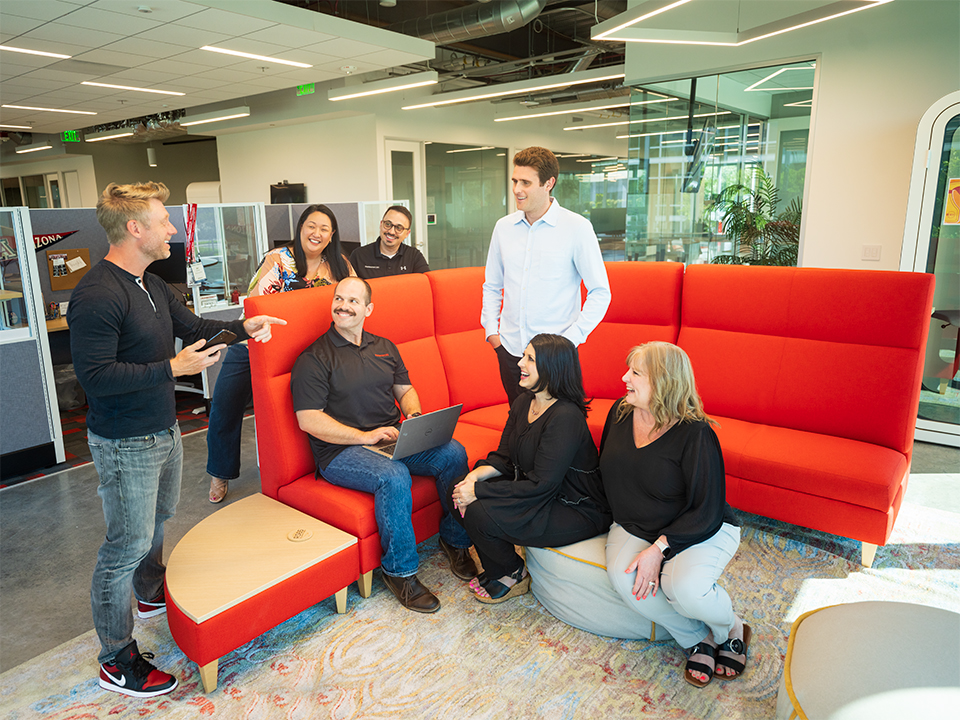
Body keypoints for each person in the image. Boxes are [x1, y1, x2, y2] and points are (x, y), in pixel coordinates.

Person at [67, 182, 285, 698]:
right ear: (135, 229)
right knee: (124, 547)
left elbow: (195, 326)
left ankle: (149, 591)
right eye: (164, 221)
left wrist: (245, 327)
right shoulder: (97, 294)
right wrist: (172, 367)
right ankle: (116, 657)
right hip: (124, 441)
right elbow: (94, 378)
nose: (172, 229)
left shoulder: (153, 284)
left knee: (155, 526)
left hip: (164, 430)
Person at [290, 276, 477, 613]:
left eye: (353, 301)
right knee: (392, 475)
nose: (343, 306)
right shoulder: (314, 357)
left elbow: (404, 390)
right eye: (339, 299)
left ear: (368, 309)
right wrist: (365, 437)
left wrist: (415, 417)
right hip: (341, 452)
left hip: (390, 437)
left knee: (453, 453)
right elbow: (309, 420)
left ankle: (456, 539)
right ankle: (399, 571)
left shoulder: (384, 347)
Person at [599, 342, 748, 689]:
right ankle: (697, 639)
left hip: (698, 527)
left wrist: (659, 549)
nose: (624, 378)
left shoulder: (696, 433)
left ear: (663, 381)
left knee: (683, 588)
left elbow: (707, 509)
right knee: (627, 582)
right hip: (636, 525)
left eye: (635, 373)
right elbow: (602, 471)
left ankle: (732, 628)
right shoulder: (620, 413)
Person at [205, 204, 355, 503]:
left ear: (332, 234)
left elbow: (354, 299)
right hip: (259, 346)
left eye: (324, 229)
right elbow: (256, 305)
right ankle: (219, 473)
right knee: (225, 406)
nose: (317, 233)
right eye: (311, 226)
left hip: (309, 353)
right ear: (300, 228)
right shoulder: (278, 260)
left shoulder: (338, 264)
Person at [449, 333, 611, 603]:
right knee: (455, 489)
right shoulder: (524, 400)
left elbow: (542, 485)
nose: (520, 363)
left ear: (551, 367)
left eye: (530, 359)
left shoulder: (566, 416)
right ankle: (503, 567)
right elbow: (504, 457)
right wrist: (473, 479)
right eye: (524, 356)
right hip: (537, 492)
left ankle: (512, 573)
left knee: (479, 511)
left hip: (572, 505)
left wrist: (479, 493)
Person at [481, 146, 611, 405]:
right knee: (518, 422)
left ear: (549, 183)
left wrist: (570, 340)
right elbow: (492, 285)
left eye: (526, 182)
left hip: (554, 356)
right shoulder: (503, 228)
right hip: (510, 350)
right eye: (515, 181)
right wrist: (492, 332)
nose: (517, 189)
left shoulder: (577, 228)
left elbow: (600, 292)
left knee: (556, 429)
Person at [350, 205, 429, 278]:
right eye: (388, 224)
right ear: (381, 224)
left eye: (399, 228)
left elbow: (425, 286)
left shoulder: (414, 256)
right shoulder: (359, 255)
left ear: (407, 233)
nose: (391, 232)